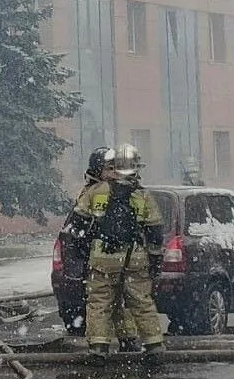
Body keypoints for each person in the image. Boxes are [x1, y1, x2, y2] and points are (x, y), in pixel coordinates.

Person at [71, 144, 165, 362]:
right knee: (140, 301)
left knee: (99, 303)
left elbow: (77, 225)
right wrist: (154, 258)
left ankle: (98, 348)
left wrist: (82, 252)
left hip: (102, 259)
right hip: (135, 258)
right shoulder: (142, 196)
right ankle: (154, 346)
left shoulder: (95, 192)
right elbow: (155, 230)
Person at [58, 146, 112, 337]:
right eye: (108, 168)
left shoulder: (97, 191)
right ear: (98, 170)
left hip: (94, 259)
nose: (113, 172)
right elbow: (82, 225)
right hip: (92, 258)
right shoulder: (96, 193)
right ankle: (102, 342)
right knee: (99, 302)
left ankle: (105, 342)